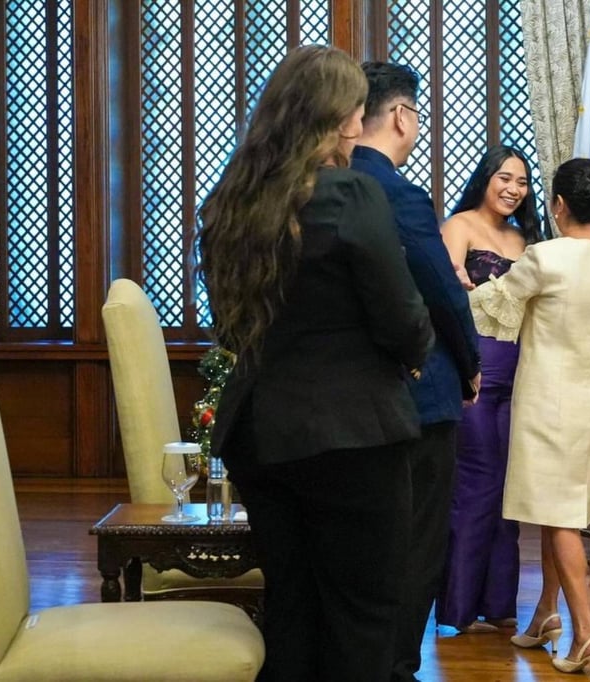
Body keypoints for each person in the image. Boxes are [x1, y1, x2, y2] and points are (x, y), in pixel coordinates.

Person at [197, 46, 434, 681]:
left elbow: (229, 325)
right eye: (356, 110)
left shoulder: (229, 203)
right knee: (362, 616)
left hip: (261, 435)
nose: (359, 124)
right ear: (341, 117)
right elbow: (403, 316)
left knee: (293, 609)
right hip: (353, 433)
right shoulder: (350, 193)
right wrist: (412, 358)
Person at [470, 158, 590, 677]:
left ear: (558, 206)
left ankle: (585, 633)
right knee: (560, 507)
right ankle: (546, 615)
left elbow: (493, 309)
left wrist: (456, 283)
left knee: (558, 516)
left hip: (548, 401)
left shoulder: (545, 256)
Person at [349, 61, 482, 682]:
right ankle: (397, 666)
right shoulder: (394, 192)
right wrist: (472, 365)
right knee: (418, 541)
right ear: (402, 116)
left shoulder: (321, 182)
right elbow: (443, 294)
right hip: (419, 393)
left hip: (349, 397)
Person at [436, 145, 543, 635]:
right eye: (504, 178)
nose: (513, 189)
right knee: (476, 486)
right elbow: (444, 296)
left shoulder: (525, 240)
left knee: (508, 492)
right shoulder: (458, 226)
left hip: (521, 379)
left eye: (521, 183)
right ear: (485, 178)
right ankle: (456, 610)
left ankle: (498, 607)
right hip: (474, 378)